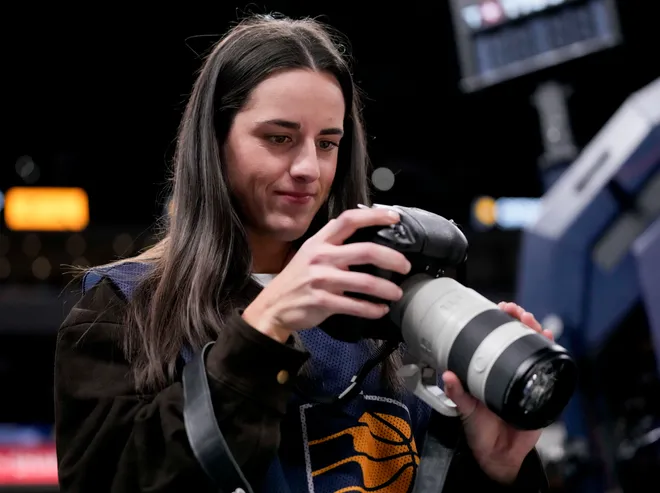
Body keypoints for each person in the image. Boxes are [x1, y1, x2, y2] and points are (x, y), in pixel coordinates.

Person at [54, 14, 551, 493]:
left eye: (328, 143)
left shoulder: (388, 311)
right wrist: (263, 327)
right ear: (215, 141)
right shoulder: (124, 306)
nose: (308, 167)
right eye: (279, 138)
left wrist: (497, 472)